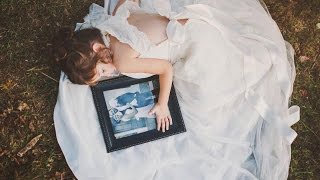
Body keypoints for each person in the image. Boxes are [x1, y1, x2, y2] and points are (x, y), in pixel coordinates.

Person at [53, 0, 300, 179]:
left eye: (103, 72)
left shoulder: (124, 60)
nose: (109, 75)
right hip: (196, 25)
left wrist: (161, 104)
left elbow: (165, 69)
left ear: (98, 49)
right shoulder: (114, 19)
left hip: (201, 50)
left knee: (205, 108)